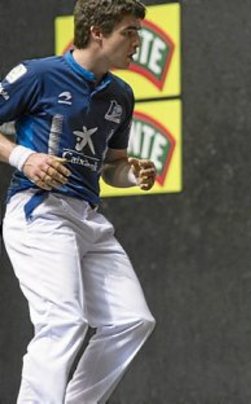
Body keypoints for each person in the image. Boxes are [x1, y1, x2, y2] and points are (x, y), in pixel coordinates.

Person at [0, 1, 157, 402]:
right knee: (63, 322)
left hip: (88, 219)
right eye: (129, 32)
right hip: (40, 211)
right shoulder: (38, 75)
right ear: (98, 32)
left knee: (132, 320)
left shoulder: (120, 95)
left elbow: (112, 166)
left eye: (138, 32)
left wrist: (132, 174)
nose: (137, 42)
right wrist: (24, 158)